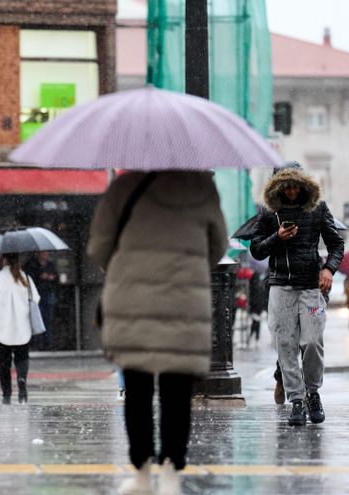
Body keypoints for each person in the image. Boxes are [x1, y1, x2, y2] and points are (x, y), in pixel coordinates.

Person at [88, 171, 227, 495]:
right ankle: (171, 474)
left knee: (137, 389)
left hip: (131, 297)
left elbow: (99, 247)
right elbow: (217, 247)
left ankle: (140, 474)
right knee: (176, 390)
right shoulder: (202, 187)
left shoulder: (123, 187)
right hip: (184, 298)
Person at [250, 163, 344, 427]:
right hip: (280, 286)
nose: (291, 191)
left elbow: (336, 244)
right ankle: (297, 401)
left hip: (311, 287)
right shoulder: (269, 212)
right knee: (286, 345)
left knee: (312, 342)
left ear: (303, 186)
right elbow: (256, 249)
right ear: (278, 187)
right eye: (286, 186)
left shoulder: (317, 209)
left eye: (295, 186)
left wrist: (328, 269)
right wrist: (277, 238)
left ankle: (313, 392)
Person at [0, 253, 40, 405]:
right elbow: (35, 299)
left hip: (2, 326)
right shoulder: (26, 278)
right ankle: (22, 379)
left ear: (4, 260)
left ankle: (6, 394)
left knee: (4, 362)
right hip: (23, 326)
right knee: (22, 358)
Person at [24, 251, 58, 349]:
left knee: (48, 318)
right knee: (36, 318)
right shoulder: (32, 264)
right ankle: (37, 342)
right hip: (37, 294)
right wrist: (40, 275)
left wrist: (51, 278)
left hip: (48, 293)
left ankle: (47, 342)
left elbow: (56, 278)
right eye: (43, 253)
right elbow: (29, 277)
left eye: (46, 254)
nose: (45, 255)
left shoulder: (51, 265)